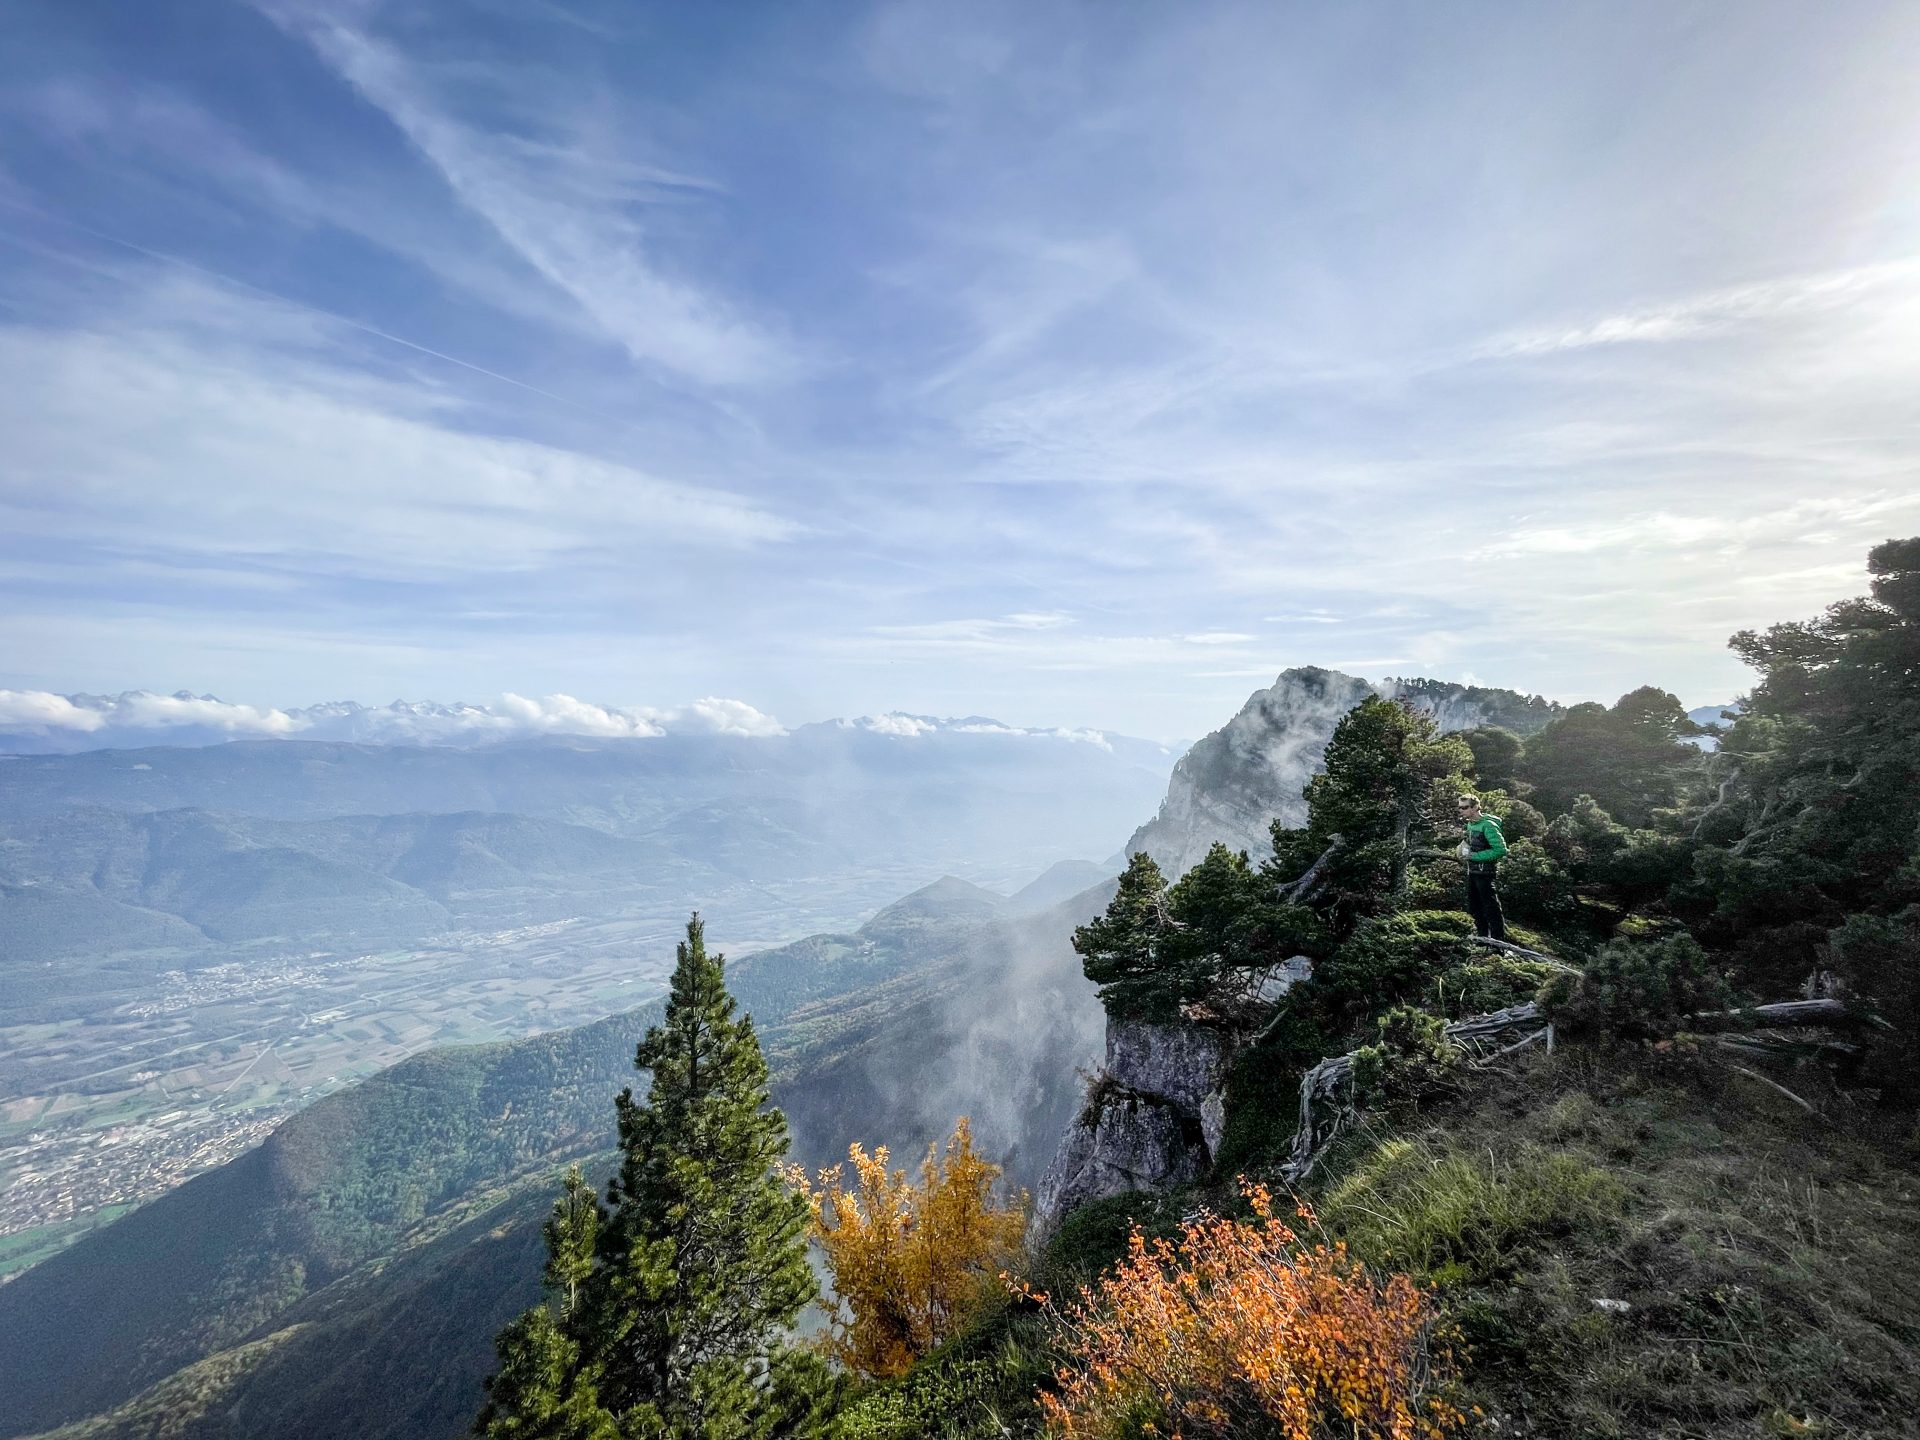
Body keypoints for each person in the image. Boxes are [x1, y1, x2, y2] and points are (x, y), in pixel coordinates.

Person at [1456, 792, 1508, 941]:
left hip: (1485, 873)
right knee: (1475, 908)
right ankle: (1482, 939)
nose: (1461, 811)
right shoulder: (1471, 824)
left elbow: (1500, 850)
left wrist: (1474, 857)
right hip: (1473, 871)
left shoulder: (1489, 826)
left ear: (1475, 807)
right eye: (1460, 808)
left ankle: (1498, 945)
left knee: (1491, 909)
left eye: (1464, 808)